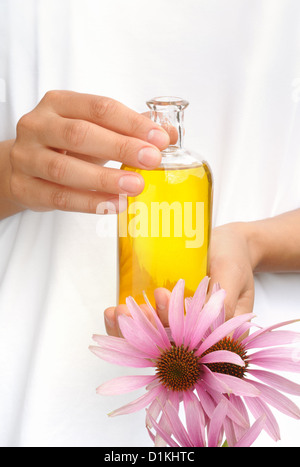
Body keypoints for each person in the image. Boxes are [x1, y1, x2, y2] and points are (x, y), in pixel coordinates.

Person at [0, 0, 299, 448]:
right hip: (30, 383)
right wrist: (10, 173)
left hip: (235, 377)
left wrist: (251, 242)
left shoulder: (195, 170)